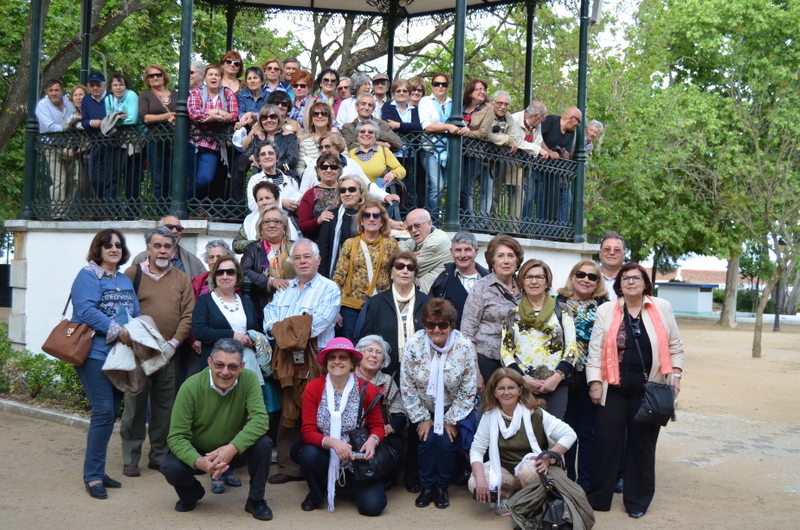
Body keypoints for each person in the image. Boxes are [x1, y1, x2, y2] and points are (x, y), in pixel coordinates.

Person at [586, 263, 684, 519]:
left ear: (645, 283)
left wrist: (676, 374)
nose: (631, 282)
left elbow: (675, 344)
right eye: (626, 278)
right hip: (613, 388)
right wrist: (595, 383)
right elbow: (595, 350)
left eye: (636, 278)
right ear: (619, 284)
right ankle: (599, 497)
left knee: (642, 446)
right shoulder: (606, 310)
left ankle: (637, 501)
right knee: (606, 443)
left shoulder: (661, 307)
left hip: (648, 388)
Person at [161, 338, 273, 520]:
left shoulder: (249, 379)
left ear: (242, 366)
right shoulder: (190, 386)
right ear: (210, 362)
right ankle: (192, 493)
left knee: (264, 444)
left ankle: (256, 500)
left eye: (232, 366)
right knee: (171, 467)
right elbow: (176, 436)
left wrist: (232, 448)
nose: (225, 372)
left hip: (235, 451)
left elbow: (260, 420)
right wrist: (199, 461)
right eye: (219, 365)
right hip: (201, 453)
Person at [263, 239, 341, 486]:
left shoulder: (329, 289)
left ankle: (317, 465)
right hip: (286, 360)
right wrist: (294, 327)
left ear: (318, 260)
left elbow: (318, 324)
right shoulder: (283, 289)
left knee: (316, 410)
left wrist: (284, 328)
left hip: (317, 359)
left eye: (307, 256)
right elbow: (268, 320)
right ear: (292, 263)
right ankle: (289, 466)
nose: (302, 261)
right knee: (289, 408)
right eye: (297, 258)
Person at [71, 229, 140, 499]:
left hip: (119, 356)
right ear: (98, 249)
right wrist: (119, 330)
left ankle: (96, 469)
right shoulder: (88, 275)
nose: (114, 249)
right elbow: (86, 311)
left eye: (118, 245)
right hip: (94, 354)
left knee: (110, 414)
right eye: (108, 245)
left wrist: (137, 330)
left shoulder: (123, 279)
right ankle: (93, 477)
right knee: (102, 412)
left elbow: (134, 311)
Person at [121, 226, 195, 478]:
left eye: (167, 246)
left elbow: (188, 315)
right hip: (138, 353)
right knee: (135, 406)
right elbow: (122, 310)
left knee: (165, 408)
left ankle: (159, 456)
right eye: (158, 245)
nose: (162, 250)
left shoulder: (181, 279)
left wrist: (174, 343)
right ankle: (131, 457)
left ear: (174, 250)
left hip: (168, 353)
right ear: (148, 248)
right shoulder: (133, 274)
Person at [190, 255, 263, 493]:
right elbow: (200, 331)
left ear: (237, 276)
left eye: (230, 272)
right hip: (218, 367)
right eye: (220, 272)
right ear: (214, 276)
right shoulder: (205, 301)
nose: (225, 276)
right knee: (218, 417)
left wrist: (250, 337)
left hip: (244, 366)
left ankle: (229, 465)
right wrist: (233, 335)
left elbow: (255, 328)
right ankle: (216, 470)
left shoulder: (246, 301)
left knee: (238, 416)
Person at [291, 338, 387, 514]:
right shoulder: (313, 387)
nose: (336, 361)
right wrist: (334, 443)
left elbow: (378, 426)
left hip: (357, 454)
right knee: (307, 454)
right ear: (326, 362)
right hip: (325, 449)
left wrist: (373, 441)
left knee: (372, 508)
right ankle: (317, 491)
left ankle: (349, 481)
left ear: (352, 363)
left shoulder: (367, 389)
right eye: (332, 357)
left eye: (342, 357)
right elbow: (308, 430)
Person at [400, 298, 477, 509]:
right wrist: (422, 419)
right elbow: (407, 385)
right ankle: (427, 486)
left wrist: (450, 420)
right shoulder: (414, 344)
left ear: (451, 325)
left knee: (443, 442)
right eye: (430, 324)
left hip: (452, 408)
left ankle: (441, 487)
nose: (436, 330)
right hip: (423, 407)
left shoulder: (464, 346)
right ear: (424, 324)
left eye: (442, 324)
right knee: (427, 439)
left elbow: (468, 388)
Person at [469, 368, 577, 515]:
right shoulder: (489, 416)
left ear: (520, 390)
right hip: (507, 469)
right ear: (494, 392)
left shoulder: (536, 413)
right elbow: (477, 450)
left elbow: (569, 434)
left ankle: (530, 501)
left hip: (533, 469)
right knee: (475, 482)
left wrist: (547, 455)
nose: (506, 392)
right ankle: (510, 497)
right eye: (501, 388)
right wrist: (480, 479)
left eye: (511, 387)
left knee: (529, 471)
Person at [500, 258, 578, 420]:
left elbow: (571, 348)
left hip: (556, 386)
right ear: (522, 281)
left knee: (552, 432)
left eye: (539, 277)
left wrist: (557, 377)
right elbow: (505, 352)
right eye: (528, 277)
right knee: (524, 431)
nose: (534, 281)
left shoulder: (563, 311)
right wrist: (522, 379)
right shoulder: (512, 315)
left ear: (547, 281)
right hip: (522, 387)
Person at [557, 259, 608, 490]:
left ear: (597, 282)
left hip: (591, 377)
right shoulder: (557, 303)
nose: (585, 279)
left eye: (592, 276)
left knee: (588, 432)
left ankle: (585, 482)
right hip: (563, 377)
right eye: (581, 274)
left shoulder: (604, 307)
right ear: (573, 276)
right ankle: (568, 480)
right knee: (566, 430)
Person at [461, 234, 523, 391]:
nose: (506, 261)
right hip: (488, 360)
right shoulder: (481, 288)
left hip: (520, 360)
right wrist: (476, 372)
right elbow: (467, 332)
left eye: (511, 256)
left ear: (517, 260)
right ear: (492, 261)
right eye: (500, 256)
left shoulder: (526, 286)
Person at [357, 250, 430, 378]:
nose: (405, 271)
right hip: (385, 372)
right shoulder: (376, 302)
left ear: (415, 274)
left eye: (410, 267)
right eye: (400, 266)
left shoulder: (428, 302)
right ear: (391, 273)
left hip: (423, 371)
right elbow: (365, 339)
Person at [332, 200, 399, 339]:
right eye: (366, 215)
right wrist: (334, 308)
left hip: (379, 306)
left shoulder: (391, 244)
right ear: (361, 221)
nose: (371, 219)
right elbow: (339, 276)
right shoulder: (350, 243)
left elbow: (396, 273)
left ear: (382, 221)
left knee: (376, 346)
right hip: (350, 307)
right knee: (352, 347)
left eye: (376, 215)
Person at [353, 335, 407, 486]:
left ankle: (383, 478)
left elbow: (400, 413)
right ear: (359, 354)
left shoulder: (386, 380)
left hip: (378, 431)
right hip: (350, 432)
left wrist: (389, 427)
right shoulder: (348, 377)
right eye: (369, 350)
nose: (373, 355)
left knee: (395, 443)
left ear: (383, 359)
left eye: (378, 352)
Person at [298, 132, 399, 207]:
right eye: (321, 147)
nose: (324, 150)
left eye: (327, 146)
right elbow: (303, 194)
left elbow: (368, 187)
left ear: (338, 146)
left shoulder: (351, 164)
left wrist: (385, 196)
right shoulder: (313, 165)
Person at [186, 64, 239, 200]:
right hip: (194, 142)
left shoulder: (227, 93)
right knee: (193, 179)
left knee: (206, 179)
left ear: (221, 78)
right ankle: (193, 208)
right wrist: (218, 112)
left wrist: (216, 117)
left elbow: (233, 115)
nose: (214, 77)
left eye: (217, 75)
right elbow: (194, 113)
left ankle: (184, 200)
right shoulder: (196, 92)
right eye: (211, 74)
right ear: (205, 78)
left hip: (213, 144)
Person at [417, 72, 467, 213]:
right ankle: (433, 219)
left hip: (448, 151)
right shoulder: (426, 101)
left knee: (441, 188)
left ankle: (434, 216)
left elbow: (461, 123)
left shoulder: (453, 103)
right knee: (437, 186)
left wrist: (466, 129)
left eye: (443, 84)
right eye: (437, 84)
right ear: (432, 86)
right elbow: (426, 125)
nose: (440, 87)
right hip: (430, 150)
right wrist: (448, 127)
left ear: (447, 86)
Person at [241, 204, 296, 314]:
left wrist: (294, 282)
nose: (272, 225)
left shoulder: (296, 248)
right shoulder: (252, 249)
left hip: (294, 304)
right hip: (262, 306)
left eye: (277, 221)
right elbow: (244, 271)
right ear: (261, 226)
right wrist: (271, 281)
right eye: (267, 222)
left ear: (284, 226)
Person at [429, 231, 490, 329]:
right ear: (452, 252)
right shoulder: (442, 281)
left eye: (467, 250)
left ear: (476, 252)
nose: (462, 255)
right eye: (458, 250)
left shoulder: (490, 279)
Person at [238, 104, 299, 201]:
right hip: (262, 182)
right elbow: (241, 162)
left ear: (278, 119)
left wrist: (264, 164)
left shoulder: (289, 137)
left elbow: (292, 161)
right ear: (261, 121)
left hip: (285, 180)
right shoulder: (258, 138)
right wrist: (251, 158)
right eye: (264, 117)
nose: (268, 120)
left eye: (273, 117)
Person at [139, 64, 178, 210]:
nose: (155, 77)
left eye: (158, 74)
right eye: (151, 75)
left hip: (175, 141)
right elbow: (145, 118)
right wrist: (167, 116)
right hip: (155, 140)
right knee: (158, 177)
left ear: (164, 76)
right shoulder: (146, 95)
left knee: (174, 176)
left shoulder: (176, 95)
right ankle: (162, 211)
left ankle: (174, 210)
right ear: (148, 79)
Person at [36, 79, 75, 215]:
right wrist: (70, 126)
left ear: (62, 91)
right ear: (46, 92)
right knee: (60, 181)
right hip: (52, 147)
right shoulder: (42, 105)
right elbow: (50, 127)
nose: (54, 93)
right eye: (51, 90)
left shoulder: (70, 102)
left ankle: (66, 213)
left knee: (72, 181)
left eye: (56, 90)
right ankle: (57, 213)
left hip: (71, 147)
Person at [537, 107, 582, 225]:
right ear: (572, 119)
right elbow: (537, 137)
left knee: (555, 202)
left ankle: (556, 229)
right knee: (539, 199)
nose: (577, 125)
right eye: (578, 122)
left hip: (554, 172)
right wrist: (549, 151)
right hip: (538, 166)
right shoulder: (551, 120)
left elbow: (566, 154)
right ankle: (536, 229)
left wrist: (558, 153)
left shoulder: (571, 134)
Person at [318, 176, 368, 278]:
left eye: (352, 189)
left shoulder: (370, 216)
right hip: (338, 274)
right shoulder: (331, 216)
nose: (347, 193)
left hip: (365, 274)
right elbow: (323, 251)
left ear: (361, 193)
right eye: (343, 190)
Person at [105, 73, 142, 208]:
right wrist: (118, 118)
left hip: (133, 139)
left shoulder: (131, 95)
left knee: (132, 175)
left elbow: (132, 119)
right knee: (114, 175)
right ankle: (114, 208)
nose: (118, 87)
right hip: (117, 140)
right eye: (115, 85)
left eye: (121, 84)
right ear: (111, 87)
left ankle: (133, 208)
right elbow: (107, 121)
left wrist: (115, 119)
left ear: (126, 86)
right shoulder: (109, 99)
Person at [487, 90, 526, 219]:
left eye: (506, 104)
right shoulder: (486, 112)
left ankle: (496, 225)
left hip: (503, 160)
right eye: (499, 103)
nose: (502, 107)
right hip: (486, 159)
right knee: (491, 195)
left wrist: (503, 138)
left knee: (498, 194)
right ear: (492, 102)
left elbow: (515, 138)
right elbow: (487, 135)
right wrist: (507, 139)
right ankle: (486, 223)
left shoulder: (509, 117)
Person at [132, 216, 207, 280]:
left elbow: (205, 285)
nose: (175, 231)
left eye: (178, 228)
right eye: (170, 227)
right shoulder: (140, 259)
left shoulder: (193, 261)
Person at [460, 78, 494, 218]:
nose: (482, 92)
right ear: (470, 92)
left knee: (467, 188)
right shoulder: (461, 106)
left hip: (475, 153)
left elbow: (483, 133)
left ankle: (467, 220)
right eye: (479, 89)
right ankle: (459, 217)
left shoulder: (487, 108)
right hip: (457, 152)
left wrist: (467, 132)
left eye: (484, 89)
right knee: (457, 187)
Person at [398, 208, 450, 293]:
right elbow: (399, 245)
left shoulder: (435, 241)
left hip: (430, 294)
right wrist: (408, 255)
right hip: (417, 290)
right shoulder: (424, 236)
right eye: (409, 228)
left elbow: (408, 268)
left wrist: (404, 257)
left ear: (430, 223)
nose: (413, 230)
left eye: (417, 225)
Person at [244, 141, 300, 218]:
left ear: (277, 158)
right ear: (259, 161)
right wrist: (281, 203)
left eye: (270, 153)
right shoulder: (255, 180)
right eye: (263, 154)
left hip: (289, 221)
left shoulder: (290, 180)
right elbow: (253, 206)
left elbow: (299, 203)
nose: (267, 156)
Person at [81, 72, 114, 202]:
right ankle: (101, 203)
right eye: (92, 85)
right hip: (95, 142)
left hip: (111, 142)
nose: (95, 88)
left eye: (98, 85)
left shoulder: (111, 97)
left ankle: (109, 208)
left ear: (104, 85)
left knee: (110, 177)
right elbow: (84, 121)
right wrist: (91, 123)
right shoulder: (86, 99)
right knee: (94, 177)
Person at [511, 101, 547, 220]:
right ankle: (491, 225)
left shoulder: (537, 125)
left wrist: (536, 148)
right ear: (536, 115)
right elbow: (517, 141)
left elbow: (538, 141)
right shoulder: (515, 119)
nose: (543, 120)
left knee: (528, 195)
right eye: (543, 117)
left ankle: (518, 226)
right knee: (498, 194)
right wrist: (538, 150)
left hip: (526, 164)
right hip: (510, 161)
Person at [381, 79, 422, 181]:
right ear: (393, 92)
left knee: (409, 184)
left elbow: (418, 126)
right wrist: (409, 128)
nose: (401, 93)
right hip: (393, 152)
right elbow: (388, 125)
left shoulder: (415, 109)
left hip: (411, 153)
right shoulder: (388, 106)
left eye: (405, 91)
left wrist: (398, 125)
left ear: (409, 93)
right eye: (398, 91)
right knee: (393, 183)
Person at [233, 180, 287, 253]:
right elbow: (236, 244)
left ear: (277, 200)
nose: (264, 202)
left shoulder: (286, 218)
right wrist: (258, 243)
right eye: (260, 199)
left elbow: (295, 243)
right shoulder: (250, 220)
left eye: (267, 198)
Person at [297, 153, 342, 239]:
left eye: (333, 167)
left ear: (339, 171)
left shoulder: (346, 190)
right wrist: (319, 220)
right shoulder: (310, 194)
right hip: (318, 241)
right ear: (317, 171)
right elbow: (302, 226)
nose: (328, 170)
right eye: (324, 167)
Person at [296, 99, 337, 174]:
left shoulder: (338, 140)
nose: (320, 116)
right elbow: (299, 168)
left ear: (329, 119)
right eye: (315, 113)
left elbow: (346, 163)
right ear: (311, 119)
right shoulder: (305, 144)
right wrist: (314, 176)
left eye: (324, 113)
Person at [599, 231, 626, 301]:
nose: (612, 253)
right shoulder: (589, 278)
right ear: (600, 254)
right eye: (607, 249)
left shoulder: (631, 281)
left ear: (624, 255)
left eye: (617, 250)